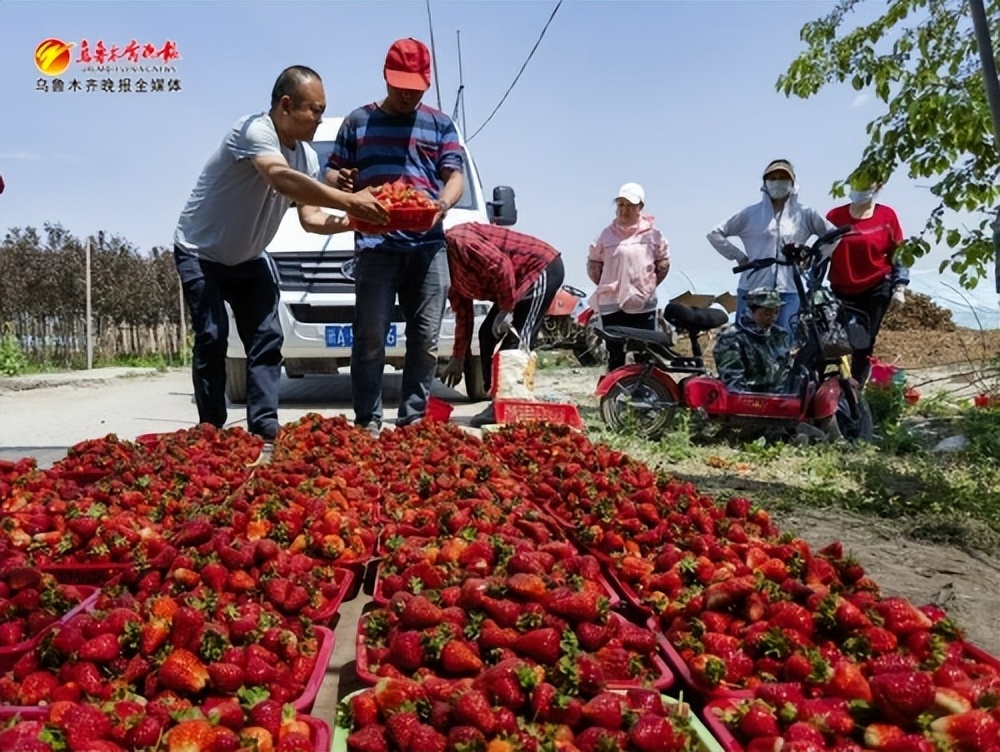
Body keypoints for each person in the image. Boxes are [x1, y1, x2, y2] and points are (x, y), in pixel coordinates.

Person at [173, 65, 388, 443]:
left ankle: (264, 425)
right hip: (200, 252)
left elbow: (310, 219)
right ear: (286, 105)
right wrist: (351, 200)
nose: (320, 120)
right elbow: (278, 177)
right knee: (212, 336)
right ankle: (211, 430)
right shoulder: (253, 131)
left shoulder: (306, 157)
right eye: (315, 110)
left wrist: (353, 222)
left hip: (250, 257)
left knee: (266, 338)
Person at [325, 38, 465, 434]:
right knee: (370, 337)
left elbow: (454, 175)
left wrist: (441, 204)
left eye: (415, 87)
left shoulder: (439, 124)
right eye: (400, 84)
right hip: (375, 245)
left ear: (427, 84)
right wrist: (345, 181)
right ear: (386, 79)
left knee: (425, 339)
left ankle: (413, 422)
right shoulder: (358, 121)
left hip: (427, 244)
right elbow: (332, 172)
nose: (406, 94)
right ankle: (368, 421)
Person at [439, 223, 565, 426]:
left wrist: (506, 309)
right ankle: (496, 398)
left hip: (539, 269)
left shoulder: (460, 241)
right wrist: (457, 358)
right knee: (486, 335)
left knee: (516, 343)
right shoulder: (449, 277)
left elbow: (501, 265)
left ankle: (510, 403)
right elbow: (464, 316)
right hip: (510, 285)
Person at [708, 159, 837, 333]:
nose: (777, 183)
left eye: (783, 178)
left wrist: (811, 258)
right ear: (765, 183)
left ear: (792, 183)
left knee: (782, 342)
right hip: (753, 288)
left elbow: (834, 236)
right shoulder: (750, 214)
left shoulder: (805, 214)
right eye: (773, 178)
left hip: (789, 289)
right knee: (746, 340)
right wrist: (739, 257)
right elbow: (715, 234)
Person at [826, 179, 908, 385]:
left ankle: (856, 388)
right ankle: (836, 383)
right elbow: (822, 252)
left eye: (865, 186)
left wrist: (900, 287)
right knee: (836, 340)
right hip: (841, 287)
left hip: (875, 287)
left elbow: (900, 254)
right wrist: (812, 283)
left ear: (877, 188)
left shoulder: (886, 216)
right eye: (856, 185)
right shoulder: (835, 217)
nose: (859, 190)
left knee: (864, 342)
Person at [586, 182, 670, 371]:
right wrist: (608, 285)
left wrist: (647, 287)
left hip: (642, 304)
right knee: (614, 350)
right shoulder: (605, 236)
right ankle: (615, 390)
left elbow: (663, 264)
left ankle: (643, 392)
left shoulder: (654, 236)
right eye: (621, 205)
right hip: (611, 303)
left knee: (644, 350)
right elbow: (594, 265)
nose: (624, 210)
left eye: (630, 205)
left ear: (640, 207)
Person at [713, 287, 796, 394]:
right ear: (752, 311)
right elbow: (733, 381)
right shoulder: (732, 338)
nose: (772, 317)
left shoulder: (779, 335)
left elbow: (784, 371)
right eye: (767, 313)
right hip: (751, 399)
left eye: (776, 312)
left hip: (780, 398)